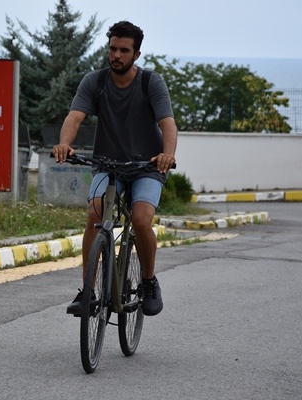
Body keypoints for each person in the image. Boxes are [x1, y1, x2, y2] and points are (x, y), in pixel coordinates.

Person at [52, 21, 178, 317]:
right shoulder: (95, 82)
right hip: (108, 164)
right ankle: (88, 291)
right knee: (95, 214)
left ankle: (148, 281)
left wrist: (166, 155)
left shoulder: (150, 82)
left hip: (147, 166)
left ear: (136, 54)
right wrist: (64, 144)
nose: (116, 55)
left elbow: (167, 123)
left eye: (124, 50)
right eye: (112, 49)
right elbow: (75, 116)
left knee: (141, 219)